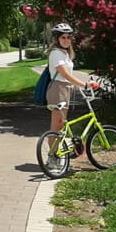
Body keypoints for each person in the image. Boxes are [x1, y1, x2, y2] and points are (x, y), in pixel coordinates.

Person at [45, 23, 98, 164]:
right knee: (56, 126)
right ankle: (52, 158)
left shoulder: (65, 54)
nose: (66, 40)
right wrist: (84, 84)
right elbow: (65, 75)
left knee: (61, 126)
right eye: (63, 37)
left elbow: (69, 76)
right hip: (58, 90)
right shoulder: (56, 53)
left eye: (69, 37)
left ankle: (58, 154)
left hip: (65, 89)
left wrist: (82, 84)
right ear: (57, 39)